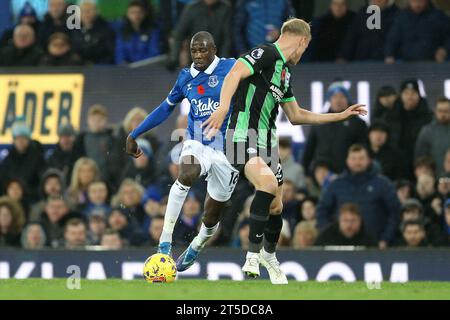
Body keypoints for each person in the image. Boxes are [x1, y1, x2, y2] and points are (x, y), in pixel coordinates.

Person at [203, 18, 366, 284]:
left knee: (277, 207)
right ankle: (252, 255)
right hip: (242, 136)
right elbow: (234, 73)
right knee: (266, 184)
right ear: (302, 40)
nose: (304, 52)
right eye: (306, 46)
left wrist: (340, 115)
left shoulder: (284, 72)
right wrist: (222, 107)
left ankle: (269, 255)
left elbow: (297, 115)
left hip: (267, 144)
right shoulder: (266, 53)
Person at [126, 32, 240, 272]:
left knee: (210, 217)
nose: (198, 55)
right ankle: (164, 242)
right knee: (186, 173)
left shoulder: (232, 68)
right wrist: (134, 133)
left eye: (203, 50)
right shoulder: (186, 77)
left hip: (229, 149)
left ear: (214, 49)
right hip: (197, 142)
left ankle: (198, 243)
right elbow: (164, 109)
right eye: (194, 51)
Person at [316, 144, 401, 248]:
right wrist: (329, 235)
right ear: (347, 161)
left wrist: (385, 239)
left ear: (369, 160)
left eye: (361, 158)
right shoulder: (336, 184)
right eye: (353, 158)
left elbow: (395, 212)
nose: (357, 162)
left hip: (375, 245)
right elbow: (321, 210)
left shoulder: (383, 184)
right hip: (339, 247)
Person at [302, 82, 368, 174]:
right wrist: (305, 172)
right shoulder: (320, 120)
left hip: (348, 174)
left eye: (342, 97)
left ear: (347, 99)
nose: (338, 100)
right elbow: (309, 149)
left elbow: (363, 149)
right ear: (329, 99)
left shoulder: (358, 123)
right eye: (335, 97)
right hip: (322, 175)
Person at [383, 79, 433, 178]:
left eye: (413, 93)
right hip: (396, 165)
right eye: (406, 93)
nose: (410, 97)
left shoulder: (429, 117)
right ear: (400, 95)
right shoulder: (390, 117)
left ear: (419, 95)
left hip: (421, 165)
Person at [169, 0, 231, 68]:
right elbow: (179, 35)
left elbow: (227, 38)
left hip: (217, 59)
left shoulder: (225, 8)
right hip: (195, 60)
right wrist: (174, 58)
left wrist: (222, 62)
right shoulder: (192, 8)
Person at [385, 0, 450, 63]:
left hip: (432, 64)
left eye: (420, 1)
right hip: (407, 64)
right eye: (414, 1)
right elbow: (392, 39)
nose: (417, 4)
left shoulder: (438, 16)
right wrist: (389, 54)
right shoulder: (401, 17)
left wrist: (444, 49)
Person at [73, 104, 120, 188]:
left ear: (105, 121)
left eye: (100, 120)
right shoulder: (81, 139)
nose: (96, 122)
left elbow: (115, 163)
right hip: (85, 184)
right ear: (88, 121)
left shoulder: (113, 139)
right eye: (94, 119)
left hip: (107, 183)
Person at [0, 121, 45, 200]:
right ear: (14, 140)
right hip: (10, 199)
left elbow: (41, 182)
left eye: (23, 138)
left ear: (28, 140)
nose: (20, 141)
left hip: (31, 199)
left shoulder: (37, 159)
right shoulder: (7, 160)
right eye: (18, 138)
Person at [115, 0, 161, 64]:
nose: (136, 15)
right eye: (132, 12)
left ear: (144, 13)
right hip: (127, 70)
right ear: (127, 14)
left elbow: (154, 53)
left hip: (148, 68)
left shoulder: (152, 30)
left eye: (139, 12)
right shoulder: (122, 31)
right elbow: (120, 54)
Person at [71, 0, 115, 64]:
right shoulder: (73, 29)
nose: (87, 13)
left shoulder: (106, 29)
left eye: (90, 10)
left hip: (100, 68)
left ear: (96, 12)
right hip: (79, 67)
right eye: (83, 11)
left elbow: (110, 54)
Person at [415, 97, 450, 176]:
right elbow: (420, 159)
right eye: (440, 111)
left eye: (446, 111)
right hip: (434, 178)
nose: (443, 114)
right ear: (435, 111)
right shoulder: (426, 131)